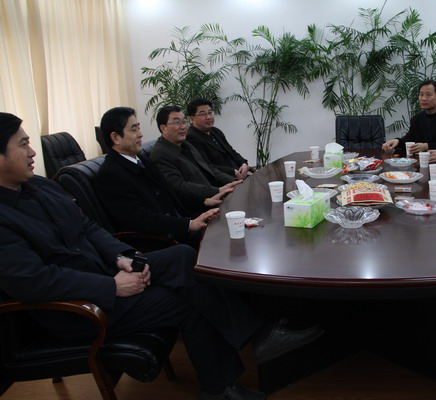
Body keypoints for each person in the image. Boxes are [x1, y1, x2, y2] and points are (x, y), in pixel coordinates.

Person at [0, 112, 325, 400]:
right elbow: (34, 282)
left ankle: (260, 335)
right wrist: (111, 286)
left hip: (106, 270)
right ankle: (219, 387)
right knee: (188, 303)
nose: (32, 152)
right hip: (80, 306)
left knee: (182, 255)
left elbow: (87, 227)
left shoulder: (41, 186)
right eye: (23, 144)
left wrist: (121, 256)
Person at [95, 107, 225, 247]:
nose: (140, 134)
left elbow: (171, 192)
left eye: (139, 128)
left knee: (225, 221)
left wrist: (204, 201)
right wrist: (189, 224)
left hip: (180, 223)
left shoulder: (142, 159)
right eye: (134, 130)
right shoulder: (110, 174)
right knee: (221, 234)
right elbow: (140, 219)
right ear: (116, 137)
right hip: (163, 238)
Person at [150, 106, 243, 215]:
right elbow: (179, 187)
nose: (183, 127)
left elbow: (208, 168)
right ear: (163, 128)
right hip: (198, 209)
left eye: (184, 122)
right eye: (177, 123)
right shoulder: (160, 154)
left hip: (214, 197)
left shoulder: (186, 144)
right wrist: (217, 191)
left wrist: (233, 182)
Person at [382, 80, 436, 154]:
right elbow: (410, 139)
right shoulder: (416, 119)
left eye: (428, 95)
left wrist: (427, 146)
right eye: (421, 94)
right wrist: (397, 141)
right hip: (420, 161)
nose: (423, 98)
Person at [186, 98, 250, 179]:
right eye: (203, 114)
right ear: (192, 119)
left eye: (210, 112)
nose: (209, 117)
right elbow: (205, 166)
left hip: (239, 174)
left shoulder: (216, 131)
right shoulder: (191, 137)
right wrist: (233, 172)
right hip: (223, 180)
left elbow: (231, 152)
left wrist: (243, 164)